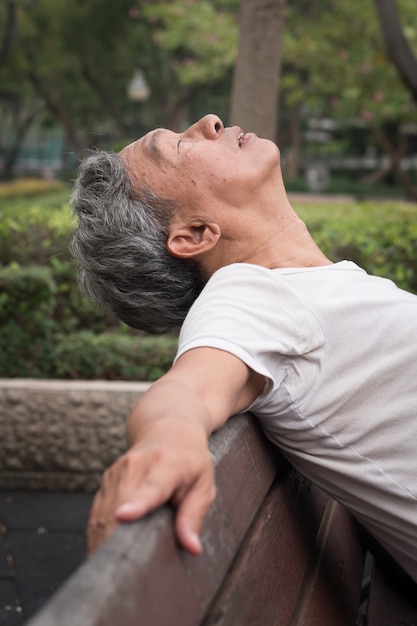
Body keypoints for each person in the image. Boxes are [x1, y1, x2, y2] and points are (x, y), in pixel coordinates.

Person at [70, 114, 417, 584]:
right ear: (194, 234)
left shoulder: (302, 285)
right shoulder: (248, 293)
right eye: (176, 146)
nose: (209, 122)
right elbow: (189, 390)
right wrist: (170, 437)